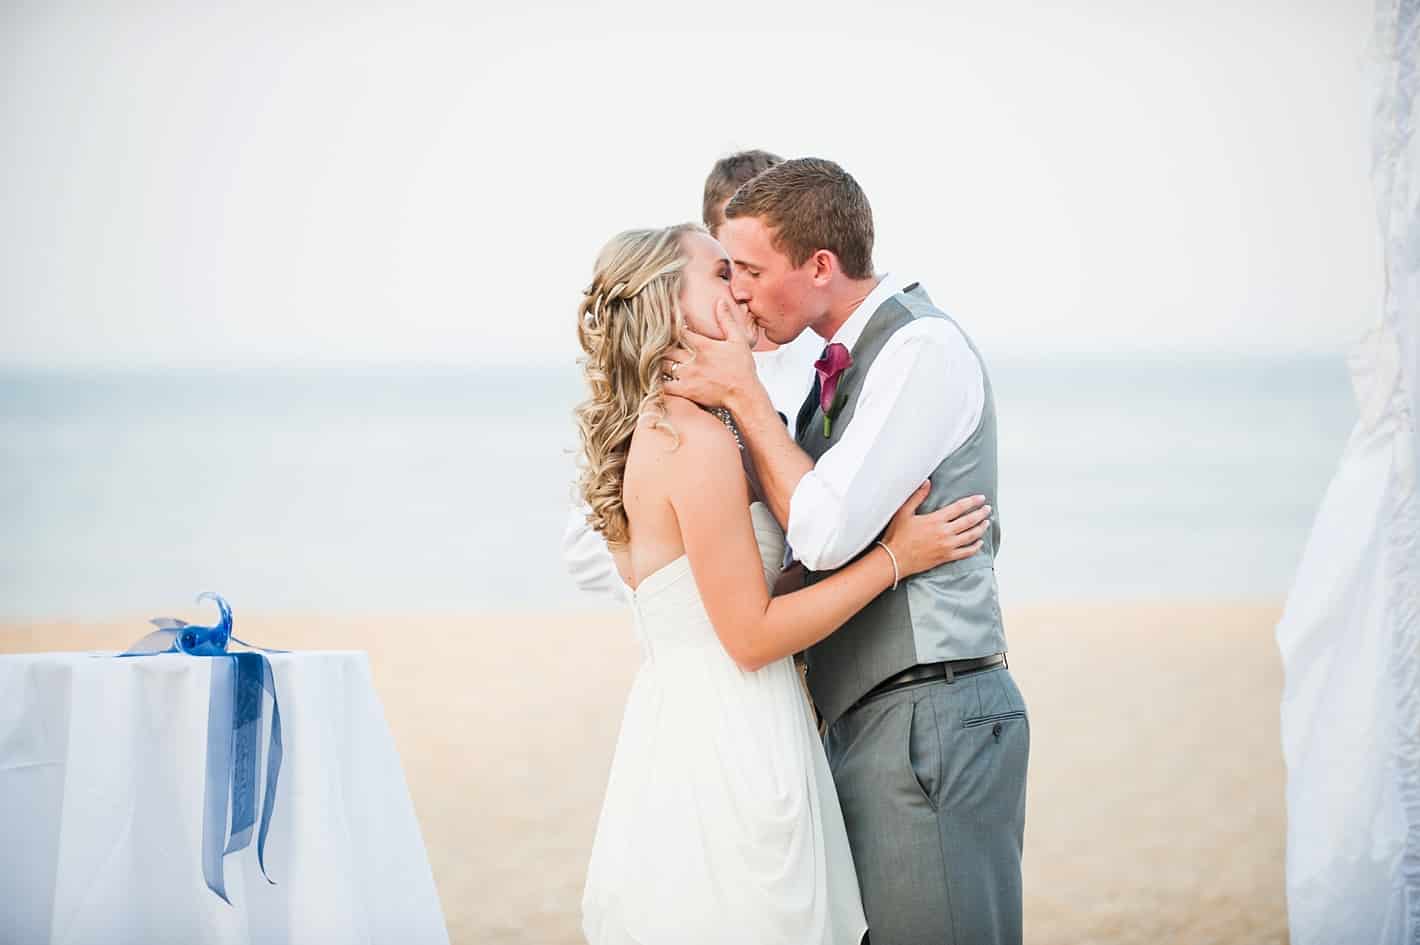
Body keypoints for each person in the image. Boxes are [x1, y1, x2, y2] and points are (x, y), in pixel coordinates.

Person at [575, 223, 993, 944]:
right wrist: (895, 557)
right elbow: (750, 635)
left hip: (694, 725)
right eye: (718, 274)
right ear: (672, 305)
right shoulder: (692, 441)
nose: (738, 288)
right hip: (731, 740)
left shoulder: (692, 427)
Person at [664, 157, 1029, 945]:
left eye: (753, 271)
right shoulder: (836, 372)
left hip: (930, 710)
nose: (739, 292)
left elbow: (823, 531)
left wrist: (744, 399)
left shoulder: (920, 350)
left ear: (821, 266)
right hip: (869, 719)